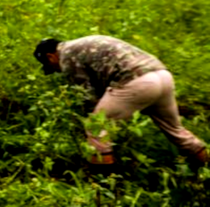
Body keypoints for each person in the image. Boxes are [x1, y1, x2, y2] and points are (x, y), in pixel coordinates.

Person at [33, 35, 208, 167]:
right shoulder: (82, 43)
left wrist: (85, 126)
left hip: (136, 81)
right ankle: (205, 169)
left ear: (50, 57)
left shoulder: (66, 57)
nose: (56, 71)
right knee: (175, 130)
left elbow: (87, 97)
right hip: (162, 75)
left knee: (96, 126)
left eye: (51, 68)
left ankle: (103, 184)